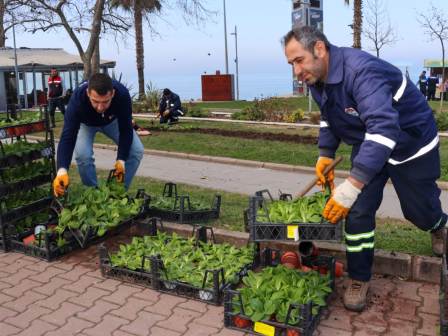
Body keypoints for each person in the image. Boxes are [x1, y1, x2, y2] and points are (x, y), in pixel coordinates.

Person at [283, 26, 447, 312]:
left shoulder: (362, 71)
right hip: (370, 141)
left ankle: (438, 225)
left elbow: (384, 128)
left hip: (411, 142)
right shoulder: (316, 77)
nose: (296, 71)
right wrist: (325, 153)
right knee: (357, 211)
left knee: (417, 210)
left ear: (319, 49)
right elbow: (330, 116)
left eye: (299, 60)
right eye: (291, 64)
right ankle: (359, 277)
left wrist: (352, 184)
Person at [52, 73, 144, 196]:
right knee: (83, 156)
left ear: (113, 94)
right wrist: (62, 170)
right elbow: (68, 136)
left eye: (105, 101)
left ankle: (116, 193)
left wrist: (121, 160)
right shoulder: (77, 100)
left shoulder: (122, 94)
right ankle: (93, 195)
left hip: (112, 121)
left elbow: (126, 129)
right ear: (88, 93)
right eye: (95, 101)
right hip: (86, 124)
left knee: (136, 150)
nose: (100, 107)